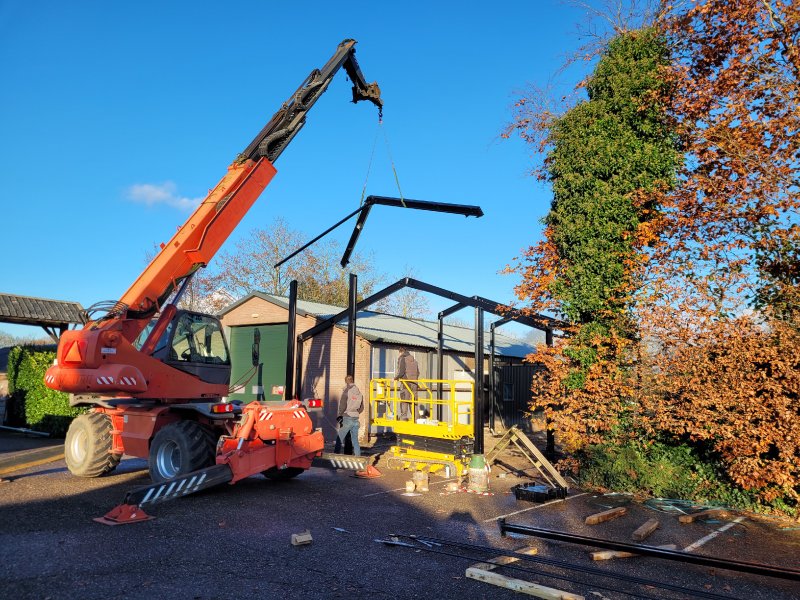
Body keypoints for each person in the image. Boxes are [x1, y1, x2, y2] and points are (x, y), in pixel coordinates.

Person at [336, 375, 364, 456]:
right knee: (355, 440)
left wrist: (340, 415)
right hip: (356, 418)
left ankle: (334, 456)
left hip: (347, 417)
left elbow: (342, 405)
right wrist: (355, 412)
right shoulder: (359, 393)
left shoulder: (346, 391)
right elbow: (362, 408)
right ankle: (358, 457)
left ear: (346, 381)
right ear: (352, 380)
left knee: (339, 438)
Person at [394, 346, 419, 421]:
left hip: (406, 383)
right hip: (414, 384)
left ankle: (403, 418)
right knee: (413, 401)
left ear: (401, 352)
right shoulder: (414, 361)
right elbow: (418, 372)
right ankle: (416, 419)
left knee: (404, 400)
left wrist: (395, 378)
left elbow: (401, 372)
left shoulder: (402, 358)